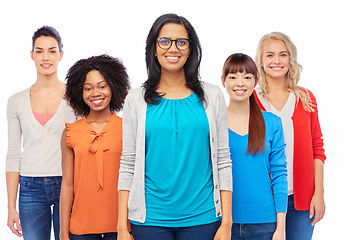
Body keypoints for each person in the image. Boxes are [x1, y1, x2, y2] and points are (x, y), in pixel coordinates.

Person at [117, 13, 233, 240]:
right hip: (150, 219)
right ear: (153, 48)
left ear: (190, 49)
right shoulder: (136, 99)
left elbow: (222, 159)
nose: (173, 49)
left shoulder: (212, 96)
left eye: (181, 42)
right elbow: (128, 163)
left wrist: (226, 222)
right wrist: (122, 226)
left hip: (203, 216)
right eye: (165, 41)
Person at [6, 26, 76, 240]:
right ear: (32, 55)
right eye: (39, 51)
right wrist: (10, 205)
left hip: (68, 182)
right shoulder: (16, 101)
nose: (46, 57)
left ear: (61, 55)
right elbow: (13, 153)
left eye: (52, 51)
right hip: (30, 187)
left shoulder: (76, 96)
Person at [254, 32, 326, 240]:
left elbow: (317, 148)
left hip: (301, 199)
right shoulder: (251, 100)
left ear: (290, 59)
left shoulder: (305, 98)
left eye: (282, 55)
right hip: (264, 198)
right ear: (260, 60)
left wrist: (319, 194)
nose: (276, 60)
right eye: (270, 55)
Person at [60, 54, 130, 240]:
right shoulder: (70, 132)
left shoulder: (128, 128)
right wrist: (62, 232)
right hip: (80, 228)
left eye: (102, 86)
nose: (96, 93)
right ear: (79, 93)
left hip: (121, 226)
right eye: (88, 88)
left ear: (113, 87)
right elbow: (67, 184)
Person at [221, 53, 288, 240]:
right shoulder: (214, 123)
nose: (240, 83)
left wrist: (280, 228)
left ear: (255, 81)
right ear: (223, 81)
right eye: (233, 77)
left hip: (265, 224)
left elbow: (279, 175)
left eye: (247, 77)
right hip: (224, 222)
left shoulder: (273, 122)